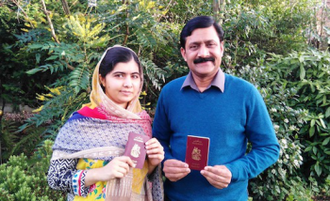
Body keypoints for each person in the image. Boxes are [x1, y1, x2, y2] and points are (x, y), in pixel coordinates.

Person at [152, 16, 280, 201]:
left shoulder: (245, 93)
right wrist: (165, 162)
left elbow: (268, 148)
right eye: (194, 46)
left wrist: (234, 171)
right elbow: (158, 142)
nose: (203, 53)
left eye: (210, 44)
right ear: (184, 53)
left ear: (221, 48)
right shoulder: (170, 93)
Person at [47, 45, 164, 201]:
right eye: (119, 75)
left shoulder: (142, 123)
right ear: (102, 79)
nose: (128, 83)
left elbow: (140, 177)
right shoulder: (82, 122)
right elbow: (55, 178)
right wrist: (100, 173)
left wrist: (153, 163)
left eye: (134, 76)